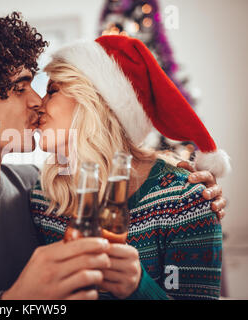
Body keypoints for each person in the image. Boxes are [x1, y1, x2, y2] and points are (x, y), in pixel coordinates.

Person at [0, 1, 227, 300]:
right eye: (21, 87)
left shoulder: (36, 188)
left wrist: (190, 190)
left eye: (45, 87)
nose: (37, 101)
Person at [28, 35, 230, 300]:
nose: (38, 104)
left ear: (93, 101)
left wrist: (138, 288)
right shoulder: (44, 198)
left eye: (52, 90)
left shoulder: (184, 199)